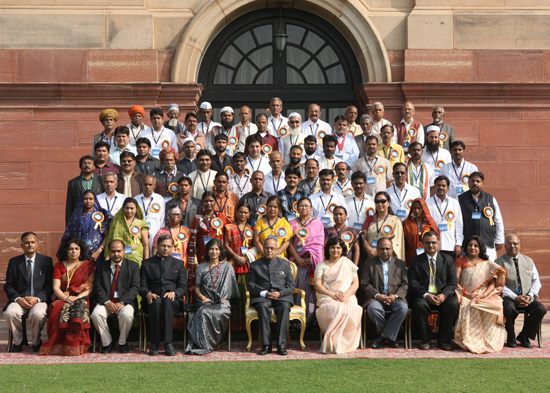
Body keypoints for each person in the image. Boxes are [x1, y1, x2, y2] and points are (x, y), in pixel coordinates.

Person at [39, 238, 95, 356]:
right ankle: (59, 344)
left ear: (80, 251)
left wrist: (78, 296)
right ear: (66, 251)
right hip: (62, 297)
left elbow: (90, 288)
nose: (73, 251)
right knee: (57, 309)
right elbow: (56, 287)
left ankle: (76, 345)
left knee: (79, 308)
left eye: (76, 249)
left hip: (82, 298)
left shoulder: (88, 266)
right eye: (70, 249)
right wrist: (65, 298)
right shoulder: (59, 266)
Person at [186, 238, 240, 355]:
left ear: (220, 251)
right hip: (206, 300)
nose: (214, 252)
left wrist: (224, 298)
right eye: (211, 249)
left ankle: (215, 342)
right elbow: (197, 287)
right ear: (207, 251)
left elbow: (230, 285)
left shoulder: (227, 266)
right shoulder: (201, 267)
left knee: (218, 311)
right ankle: (205, 344)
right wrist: (203, 297)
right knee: (202, 311)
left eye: (216, 249)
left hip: (222, 301)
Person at [454, 236, 507, 354]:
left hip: (484, 295)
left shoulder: (487, 264)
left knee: (495, 305)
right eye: (470, 245)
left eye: (475, 245)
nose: (472, 248)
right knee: (470, 306)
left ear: (480, 248)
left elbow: (492, 285)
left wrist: (483, 295)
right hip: (465, 295)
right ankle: (472, 340)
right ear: (466, 247)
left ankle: (490, 340)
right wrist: (467, 295)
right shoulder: (460, 262)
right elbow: (455, 282)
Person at [408, 231, 458, 351]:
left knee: (453, 304)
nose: (431, 245)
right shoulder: (416, 261)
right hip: (424, 295)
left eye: (433, 242)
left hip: (442, 294)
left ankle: (444, 340)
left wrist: (444, 295)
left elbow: (453, 282)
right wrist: (426, 295)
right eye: (427, 243)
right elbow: (412, 282)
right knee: (419, 305)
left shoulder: (448, 260)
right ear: (423, 244)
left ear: (439, 243)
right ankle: (425, 340)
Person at [4, 232, 53, 353]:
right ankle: (19, 341)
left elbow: (50, 285)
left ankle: (36, 341)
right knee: (10, 312)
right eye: (27, 243)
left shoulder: (46, 261)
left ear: (37, 244)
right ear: (21, 245)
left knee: (38, 314)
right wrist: (18, 299)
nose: (30, 245)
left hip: (39, 300)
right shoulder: (14, 262)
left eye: (32, 242)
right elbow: (8, 285)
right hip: (20, 299)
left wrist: (37, 298)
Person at [495, 234, 547, 348]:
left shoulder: (529, 260)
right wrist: (515, 297)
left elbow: (536, 281)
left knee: (540, 309)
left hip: (527, 297)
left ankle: (524, 336)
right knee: (507, 308)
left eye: (515, 244)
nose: (512, 246)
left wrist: (530, 296)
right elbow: (499, 284)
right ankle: (511, 336)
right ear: (505, 246)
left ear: (520, 245)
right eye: (509, 244)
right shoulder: (499, 262)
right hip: (509, 298)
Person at [140, 235, 187, 356]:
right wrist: (147, 293)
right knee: (156, 302)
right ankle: (154, 343)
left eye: (169, 246)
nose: (166, 249)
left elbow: (183, 287)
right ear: (157, 246)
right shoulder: (146, 264)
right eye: (163, 246)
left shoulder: (179, 264)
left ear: (172, 248)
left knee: (167, 301)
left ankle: (168, 343)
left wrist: (174, 293)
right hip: (152, 299)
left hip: (173, 300)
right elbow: (141, 286)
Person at [248, 237, 296, 356]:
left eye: (272, 248)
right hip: (263, 297)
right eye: (267, 248)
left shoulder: (284, 264)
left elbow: (291, 285)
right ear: (263, 249)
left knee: (284, 307)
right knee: (263, 306)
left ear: (277, 250)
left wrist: (280, 293)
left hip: (281, 297)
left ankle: (281, 345)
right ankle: (266, 345)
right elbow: (251, 284)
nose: (269, 251)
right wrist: (264, 293)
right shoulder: (255, 265)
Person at [91, 239, 140, 353]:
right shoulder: (102, 267)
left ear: (124, 251)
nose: (116, 254)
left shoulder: (133, 266)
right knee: (96, 314)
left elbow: (135, 287)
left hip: (125, 302)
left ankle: (122, 342)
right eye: (113, 251)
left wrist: (122, 302)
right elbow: (98, 287)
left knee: (127, 315)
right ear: (109, 251)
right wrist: (107, 302)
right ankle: (107, 342)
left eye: (119, 251)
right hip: (106, 302)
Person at [314, 237, 362, 354]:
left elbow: (355, 283)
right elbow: (317, 284)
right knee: (335, 307)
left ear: (342, 250)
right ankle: (334, 342)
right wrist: (332, 295)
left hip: (347, 295)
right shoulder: (321, 265)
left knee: (353, 308)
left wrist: (345, 295)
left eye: (338, 247)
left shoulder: (348, 263)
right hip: (327, 296)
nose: (335, 250)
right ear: (328, 249)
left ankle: (345, 343)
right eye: (332, 247)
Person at [361, 237, 408, 349]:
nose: (385, 251)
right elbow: (364, 283)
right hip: (376, 298)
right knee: (373, 309)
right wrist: (377, 295)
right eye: (382, 249)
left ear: (392, 249)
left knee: (403, 309)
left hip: (396, 298)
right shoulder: (369, 263)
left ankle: (382, 337)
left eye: (388, 249)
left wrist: (395, 296)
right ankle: (391, 337)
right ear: (377, 249)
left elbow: (405, 284)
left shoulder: (400, 264)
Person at [287, 197, 325, 321]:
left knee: (313, 289)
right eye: (301, 206)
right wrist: (298, 258)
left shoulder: (317, 222)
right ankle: (297, 319)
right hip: (298, 262)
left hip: (313, 262)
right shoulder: (292, 223)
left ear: (311, 209)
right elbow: (289, 243)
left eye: (306, 206)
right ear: (296, 208)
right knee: (299, 286)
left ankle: (312, 318)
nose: (304, 208)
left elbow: (319, 244)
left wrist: (312, 258)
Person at [458, 171, 504, 261]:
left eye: (478, 181)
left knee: (489, 269)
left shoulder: (490, 199)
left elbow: (498, 220)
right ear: (468, 183)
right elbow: (458, 223)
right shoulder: (461, 199)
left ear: (483, 183)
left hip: (487, 242)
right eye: (472, 181)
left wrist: (499, 239)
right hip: (468, 244)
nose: (475, 183)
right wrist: (458, 243)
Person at [223, 203, 254, 331]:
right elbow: (225, 245)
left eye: (245, 212)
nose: (243, 215)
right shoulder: (229, 227)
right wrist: (236, 257)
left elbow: (253, 245)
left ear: (249, 214)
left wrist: (246, 258)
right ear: (236, 213)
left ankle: (244, 327)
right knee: (232, 296)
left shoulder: (252, 229)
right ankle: (232, 328)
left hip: (247, 265)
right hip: (232, 264)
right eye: (240, 212)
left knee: (245, 295)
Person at [61, 190, 110, 265]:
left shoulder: (100, 215)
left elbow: (107, 235)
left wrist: (98, 251)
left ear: (94, 200)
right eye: (85, 199)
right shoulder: (76, 216)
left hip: (97, 254)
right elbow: (70, 235)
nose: (88, 201)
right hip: (80, 255)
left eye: (91, 199)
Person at [104, 197, 150, 266]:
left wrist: (146, 261)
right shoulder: (116, 222)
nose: (129, 211)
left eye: (132, 208)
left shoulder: (141, 223)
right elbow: (110, 239)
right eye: (127, 208)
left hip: (136, 257)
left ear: (136, 208)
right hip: (118, 257)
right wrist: (107, 257)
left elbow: (145, 244)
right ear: (123, 208)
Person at [426, 175, 464, 259]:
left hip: (450, 245)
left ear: (448, 188)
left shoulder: (454, 203)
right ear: (434, 187)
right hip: (432, 246)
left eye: (443, 186)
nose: (441, 187)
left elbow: (459, 224)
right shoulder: (427, 203)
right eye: (438, 185)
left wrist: (458, 244)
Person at [188, 191, 229, 266]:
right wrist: (195, 260)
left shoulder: (220, 217)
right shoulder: (197, 218)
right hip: (202, 253)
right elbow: (193, 239)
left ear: (215, 202)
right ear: (202, 203)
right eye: (206, 201)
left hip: (217, 253)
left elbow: (228, 234)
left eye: (211, 201)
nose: (209, 203)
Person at [362, 191, 405, 260]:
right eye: (377, 201)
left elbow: (397, 242)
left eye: (383, 201)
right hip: (371, 256)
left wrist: (379, 251)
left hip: (388, 257)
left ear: (389, 203)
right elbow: (362, 236)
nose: (380, 204)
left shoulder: (395, 220)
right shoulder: (369, 219)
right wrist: (370, 249)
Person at [66, 155, 103, 224]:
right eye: (84, 163)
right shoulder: (73, 183)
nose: (87, 165)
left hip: (97, 218)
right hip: (79, 219)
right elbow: (69, 205)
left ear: (94, 167)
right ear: (80, 166)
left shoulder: (101, 181)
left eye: (89, 163)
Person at [402, 198, 439, 267]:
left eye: (419, 208)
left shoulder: (430, 223)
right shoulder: (406, 224)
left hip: (427, 254)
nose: (416, 211)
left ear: (424, 209)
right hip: (410, 255)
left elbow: (436, 238)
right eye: (414, 208)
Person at [135, 175, 165, 247]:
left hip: (155, 234)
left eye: (150, 184)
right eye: (145, 184)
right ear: (141, 185)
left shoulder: (159, 199)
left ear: (154, 186)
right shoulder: (136, 199)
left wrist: (160, 236)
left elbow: (162, 220)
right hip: (138, 235)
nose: (147, 187)